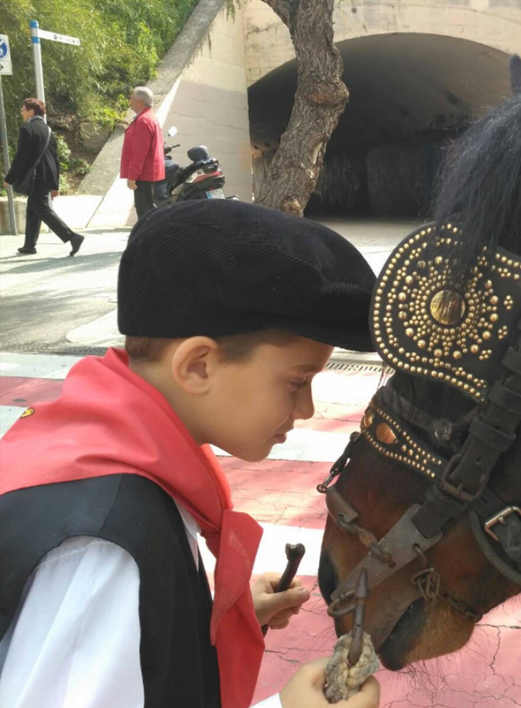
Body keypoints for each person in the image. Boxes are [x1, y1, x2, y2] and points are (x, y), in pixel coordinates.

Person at [0, 200, 381, 708]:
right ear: (198, 366)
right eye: (296, 381)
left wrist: (203, 619)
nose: (307, 408)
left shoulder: (96, 451)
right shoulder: (106, 549)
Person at [3, 98, 84, 257]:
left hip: (36, 177)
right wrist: (55, 185)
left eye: (23, 109)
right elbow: (54, 159)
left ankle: (72, 237)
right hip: (46, 176)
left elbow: (22, 157)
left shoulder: (27, 129)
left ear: (31, 112)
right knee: (33, 208)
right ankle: (29, 245)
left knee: (42, 208)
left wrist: (10, 178)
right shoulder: (48, 130)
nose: (21, 112)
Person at [121, 86, 165, 220]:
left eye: (131, 98)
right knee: (147, 211)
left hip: (144, 174)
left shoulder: (143, 121)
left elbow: (140, 152)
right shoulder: (148, 117)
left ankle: (149, 240)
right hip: (148, 173)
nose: (129, 101)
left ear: (140, 102)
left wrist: (132, 176)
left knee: (145, 213)